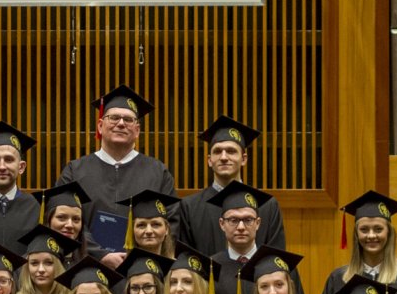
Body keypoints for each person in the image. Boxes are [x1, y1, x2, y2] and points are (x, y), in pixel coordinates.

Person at [54, 87, 179, 254]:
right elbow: (62, 221)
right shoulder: (75, 171)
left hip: (142, 265)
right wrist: (99, 255)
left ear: (137, 130)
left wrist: (139, 259)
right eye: (113, 118)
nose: (120, 123)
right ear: (100, 126)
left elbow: (172, 222)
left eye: (128, 119)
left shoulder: (157, 172)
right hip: (87, 265)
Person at [177, 117, 286, 259]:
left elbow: (276, 260)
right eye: (217, 151)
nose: (223, 157)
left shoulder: (267, 205)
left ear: (244, 159)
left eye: (231, 151)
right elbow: (186, 261)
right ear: (209, 160)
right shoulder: (189, 207)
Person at [15, 224, 78, 294]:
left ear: (58, 267)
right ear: (27, 268)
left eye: (48, 263)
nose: (41, 269)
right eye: (34, 263)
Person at [128, 190, 180, 262]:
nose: (149, 231)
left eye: (156, 224)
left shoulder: (178, 268)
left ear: (167, 229)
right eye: (141, 225)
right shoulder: (122, 267)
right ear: (132, 230)